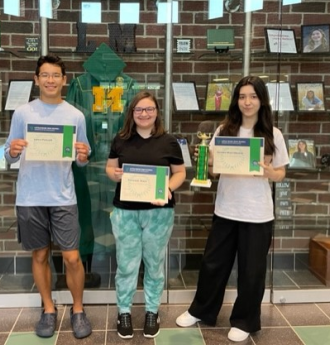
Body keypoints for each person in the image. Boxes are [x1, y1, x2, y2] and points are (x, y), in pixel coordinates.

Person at [176, 76, 289, 342]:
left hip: (258, 213)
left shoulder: (274, 134)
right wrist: (205, 160)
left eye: (253, 96)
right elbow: (213, 170)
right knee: (213, 264)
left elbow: (281, 173)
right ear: (235, 100)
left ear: (262, 100)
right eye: (242, 96)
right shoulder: (223, 131)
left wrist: (270, 173)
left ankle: (245, 320)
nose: (247, 102)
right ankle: (201, 310)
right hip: (226, 209)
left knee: (252, 271)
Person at [4, 54, 92, 339]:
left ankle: (78, 309)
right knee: (40, 254)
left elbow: (82, 159)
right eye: (45, 75)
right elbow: (8, 154)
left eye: (56, 75)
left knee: (72, 257)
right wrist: (14, 150)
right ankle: (49, 308)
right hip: (30, 196)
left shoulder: (75, 115)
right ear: (36, 79)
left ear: (64, 80)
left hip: (63, 196)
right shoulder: (23, 113)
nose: (51, 80)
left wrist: (83, 154)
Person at [106, 91, 186, 339]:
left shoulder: (169, 141)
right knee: (127, 266)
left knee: (153, 265)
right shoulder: (121, 139)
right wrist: (114, 175)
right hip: (125, 212)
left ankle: (152, 310)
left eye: (149, 109)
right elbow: (110, 167)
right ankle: (124, 312)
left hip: (158, 213)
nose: (144, 114)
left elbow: (180, 173)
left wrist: (167, 189)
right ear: (132, 113)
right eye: (139, 110)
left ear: (156, 112)